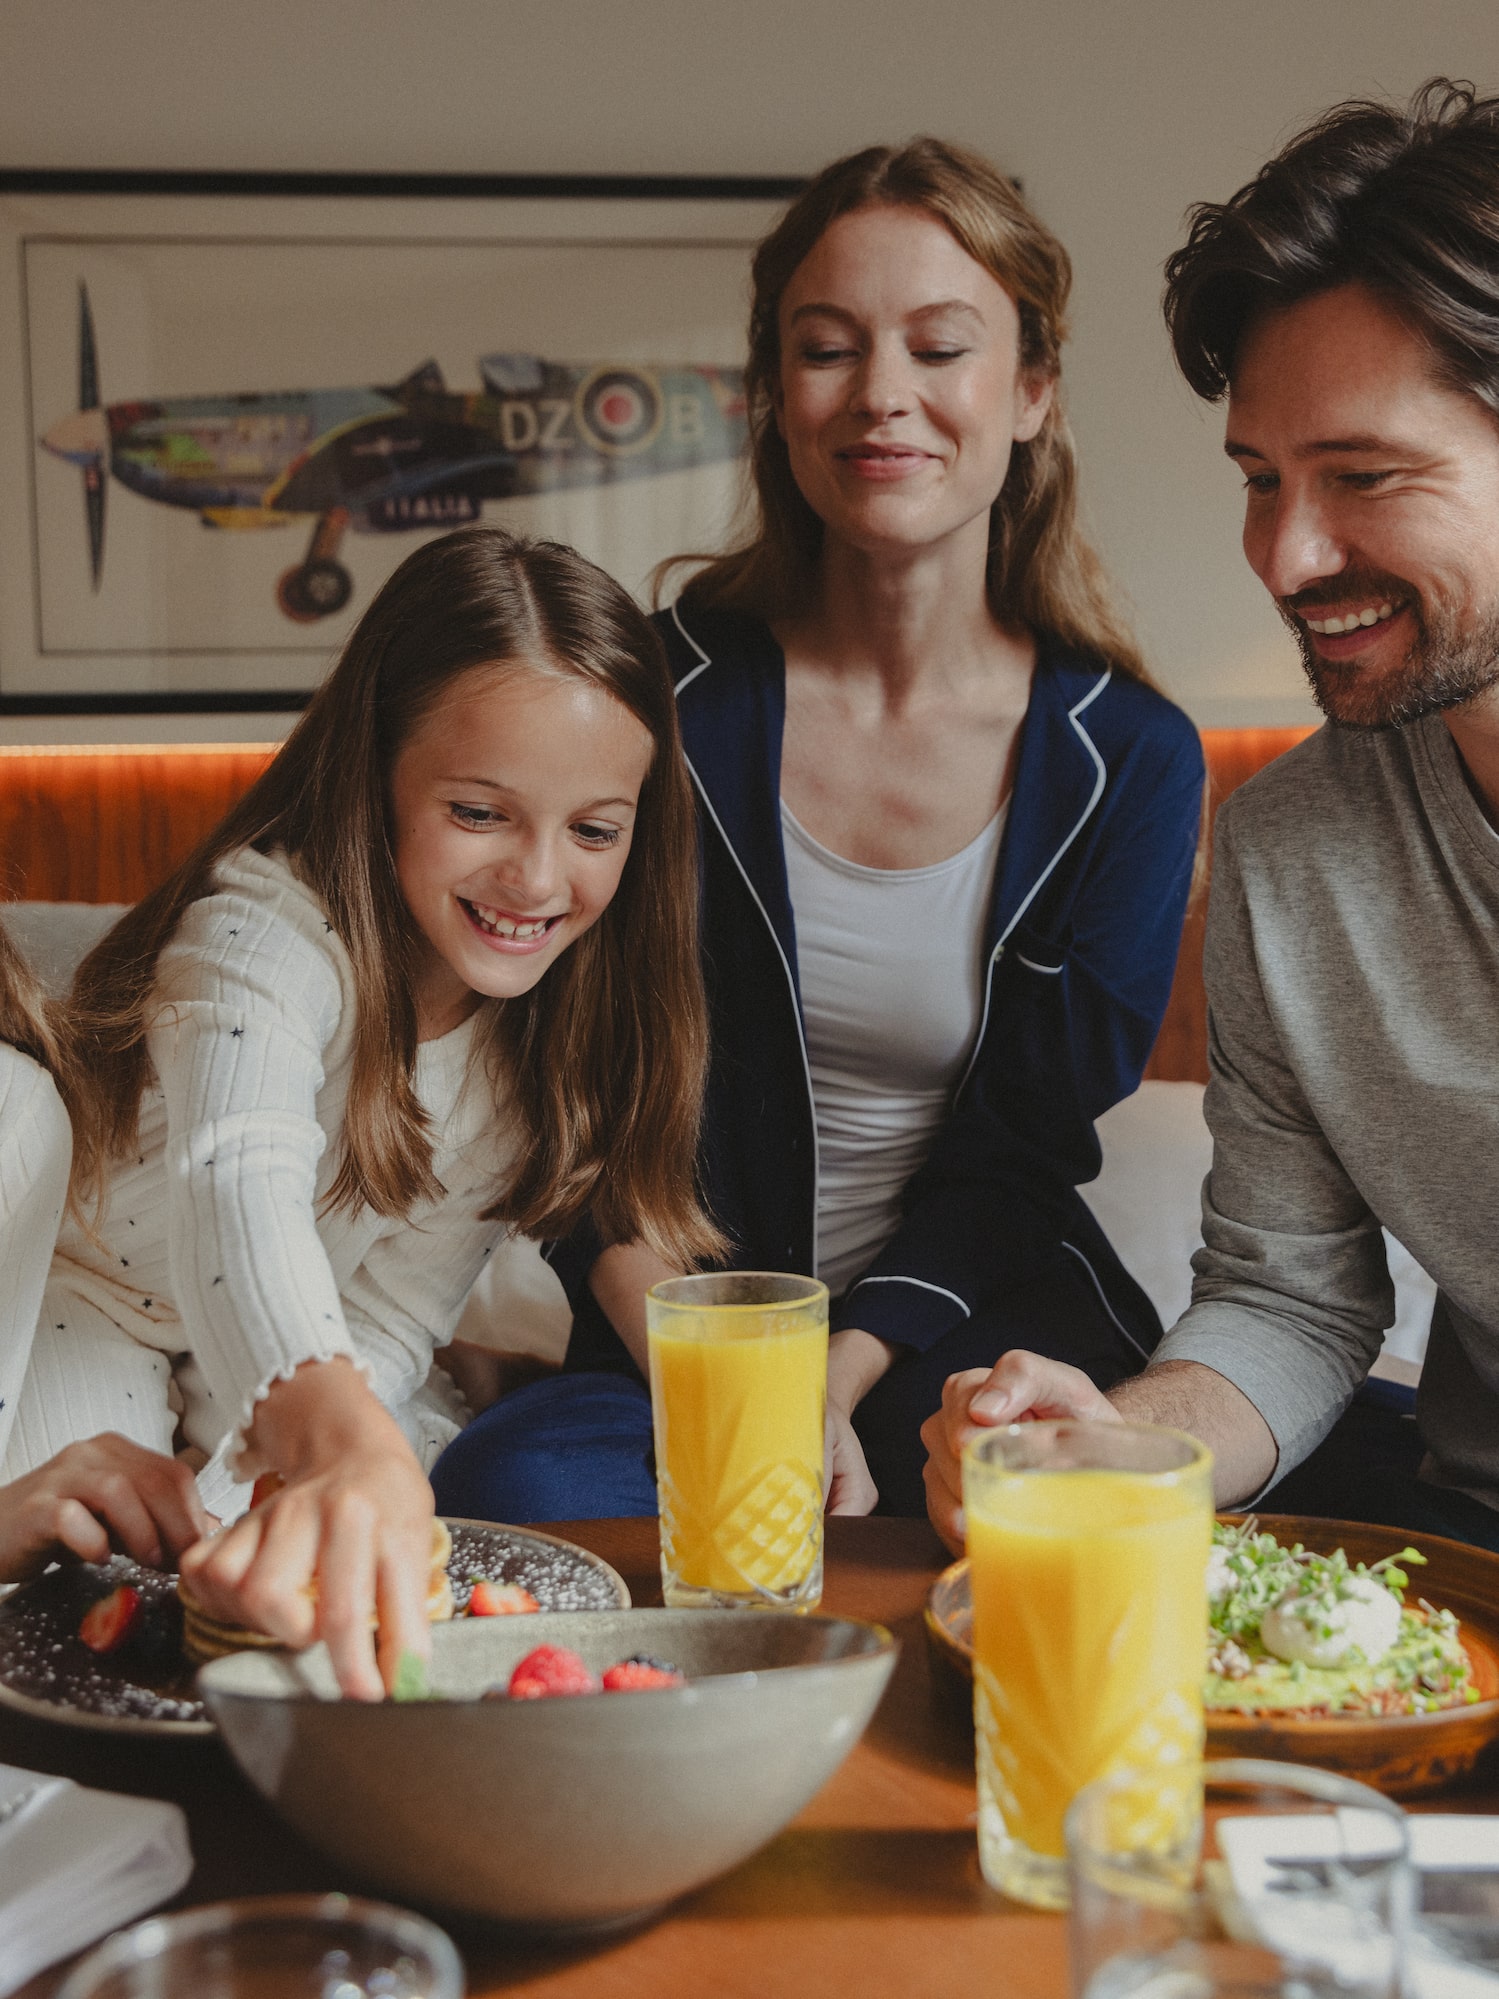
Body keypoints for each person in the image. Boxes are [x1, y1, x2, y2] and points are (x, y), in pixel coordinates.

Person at [432, 140, 1204, 1526]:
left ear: (1028, 391)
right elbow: (566, 1072)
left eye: (938, 345)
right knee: (518, 1485)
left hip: (971, 1312)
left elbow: (1023, 1144)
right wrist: (722, 1373)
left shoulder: (1129, 760)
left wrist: (828, 1385)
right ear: (770, 396)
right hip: (675, 1314)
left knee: (1032, 1499)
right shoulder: (646, 698)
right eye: (827, 347)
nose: (882, 395)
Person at [923, 77, 1499, 1557]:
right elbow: (1294, 1298)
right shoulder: (1285, 851)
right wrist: (1125, 1443)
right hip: (1461, 1556)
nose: (1288, 554)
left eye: (1360, 477)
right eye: (1258, 480)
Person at [9, 525, 717, 1693]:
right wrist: (331, 1437)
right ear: (377, 772)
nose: (538, 881)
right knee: (72, 1608)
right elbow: (234, 1186)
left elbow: (388, 1318)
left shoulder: (538, 1054)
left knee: (260, 1612)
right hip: (82, 1301)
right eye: (480, 813)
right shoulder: (257, 932)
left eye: (593, 829)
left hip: (280, 1351)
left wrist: (270, 1490)